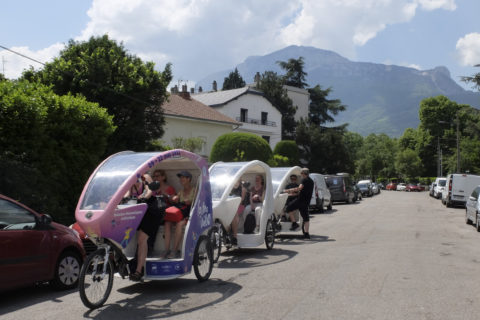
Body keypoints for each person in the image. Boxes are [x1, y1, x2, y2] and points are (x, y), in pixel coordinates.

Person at [129, 175, 160, 281]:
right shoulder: (130, 181)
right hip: (137, 212)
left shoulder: (145, 177)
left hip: (150, 211)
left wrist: (144, 197)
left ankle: (139, 270)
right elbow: (126, 194)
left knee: (142, 239)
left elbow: (149, 190)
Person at [163, 170, 195, 259]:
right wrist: (171, 197)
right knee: (167, 223)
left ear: (189, 179)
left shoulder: (194, 190)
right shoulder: (181, 191)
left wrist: (190, 201)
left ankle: (175, 250)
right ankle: (166, 250)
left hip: (189, 214)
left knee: (179, 224)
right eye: (180, 177)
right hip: (181, 214)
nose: (181, 179)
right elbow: (175, 199)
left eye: (183, 177)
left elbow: (196, 203)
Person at [147, 169, 176, 253]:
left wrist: (165, 194)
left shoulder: (169, 188)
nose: (155, 178)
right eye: (154, 176)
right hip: (153, 211)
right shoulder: (151, 188)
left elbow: (173, 201)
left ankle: (150, 246)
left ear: (163, 177)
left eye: (158, 176)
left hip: (164, 212)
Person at [283, 168, 314, 239]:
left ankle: (294, 223)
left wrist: (289, 190)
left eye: (301, 173)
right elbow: (304, 191)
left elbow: (299, 188)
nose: (301, 174)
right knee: (306, 218)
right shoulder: (311, 181)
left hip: (300, 200)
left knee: (288, 209)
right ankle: (306, 234)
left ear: (304, 173)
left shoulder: (304, 180)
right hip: (306, 202)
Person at [229, 179, 249, 245]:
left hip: (240, 206)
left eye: (237, 181)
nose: (235, 183)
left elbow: (241, 200)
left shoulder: (243, 188)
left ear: (239, 181)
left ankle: (235, 237)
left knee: (234, 214)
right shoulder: (229, 187)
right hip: (231, 206)